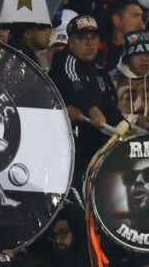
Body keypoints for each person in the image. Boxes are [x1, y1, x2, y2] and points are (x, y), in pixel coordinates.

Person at [50, 15, 124, 174]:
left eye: (94, 37)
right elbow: (76, 87)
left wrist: (122, 125)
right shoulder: (65, 61)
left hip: (100, 146)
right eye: (83, 38)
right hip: (73, 146)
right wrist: (91, 109)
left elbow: (109, 102)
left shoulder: (99, 68)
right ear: (70, 41)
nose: (90, 43)